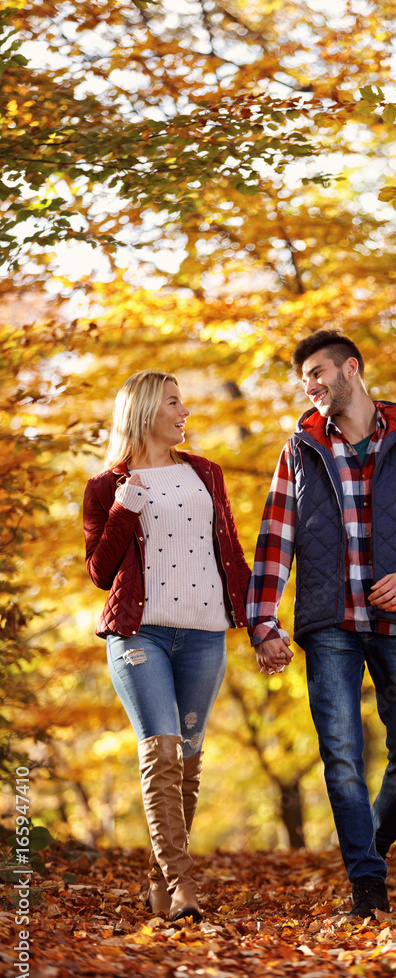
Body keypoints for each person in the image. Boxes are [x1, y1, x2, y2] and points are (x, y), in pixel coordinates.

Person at [247, 329, 396, 918]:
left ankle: (372, 847)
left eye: (317, 372)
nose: (310, 387)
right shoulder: (301, 450)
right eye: (303, 379)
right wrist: (263, 622)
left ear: (351, 370)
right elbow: (275, 539)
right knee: (340, 754)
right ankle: (367, 884)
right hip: (329, 621)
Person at [83, 370, 251, 923]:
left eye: (184, 403)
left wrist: (261, 624)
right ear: (145, 411)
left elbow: (231, 554)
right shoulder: (107, 486)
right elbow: (100, 572)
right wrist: (124, 507)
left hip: (202, 635)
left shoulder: (205, 473)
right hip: (139, 634)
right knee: (161, 749)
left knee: (189, 760)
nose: (185, 413)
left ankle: (160, 884)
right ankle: (184, 886)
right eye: (174, 403)